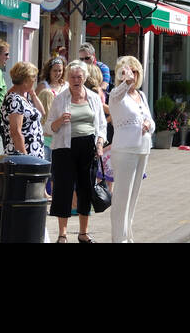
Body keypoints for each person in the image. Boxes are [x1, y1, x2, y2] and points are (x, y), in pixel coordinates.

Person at [47, 60, 108, 242]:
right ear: (68, 78)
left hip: (88, 148)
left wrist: (100, 143)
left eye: (79, 77)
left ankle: (83, 233)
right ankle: (62, 234)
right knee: (63, 190)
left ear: (85, 77)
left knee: (86, 189)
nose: (76, 80)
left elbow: (102, 125)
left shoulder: (93, 97)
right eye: (72, 77)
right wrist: (59, 121)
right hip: (64, 149)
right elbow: (48, 127)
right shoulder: (60, 99)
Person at [109, 55, 154, 243]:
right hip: (125, 150)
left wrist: (148, 124)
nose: (132, 75)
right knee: (122, 197)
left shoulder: (141, 95)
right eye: (128, 72)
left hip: (143, 148)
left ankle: (127, 236)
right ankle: (118, 238)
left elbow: (151, 121)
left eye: (135, 72)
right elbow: (117, 94)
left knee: (133, 197)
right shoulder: (117, 95)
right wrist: (125, 81)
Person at [0, 62, 47, 158]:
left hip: (33, 154)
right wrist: (25, 158)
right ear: (26, 80)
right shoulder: (14, 99)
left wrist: (33, 94)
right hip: (24, 156)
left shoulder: (23, 97)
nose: (35, 81)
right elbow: (16, 132)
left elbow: (42, 113)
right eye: (33, 78)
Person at [38, 57, 67, 152]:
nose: (57, 73)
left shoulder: (66, 85)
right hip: (46, 130)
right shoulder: (43, 86)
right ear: (49, 71)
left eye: (60, 70)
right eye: (55, 70)